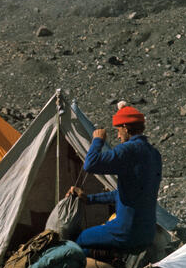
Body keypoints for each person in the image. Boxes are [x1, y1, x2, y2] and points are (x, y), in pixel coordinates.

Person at [68, 102, 161, 256]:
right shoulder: (154, 154)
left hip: (127, 231)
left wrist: (98, 140)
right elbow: (126, 193)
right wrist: (89, 199)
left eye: (118, 130)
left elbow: (90, 165)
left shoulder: (128, 150)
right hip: (147, 232)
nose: (118, 136)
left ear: (125, 127)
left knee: (83, 237)